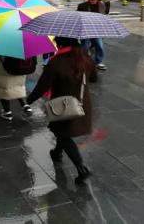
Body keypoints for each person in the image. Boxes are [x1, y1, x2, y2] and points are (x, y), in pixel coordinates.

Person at [27, 37, 98, 184]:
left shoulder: (56, 62)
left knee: (64, 133)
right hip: (82, 103)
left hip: (63, 106)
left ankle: (82, 169)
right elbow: (94, 79)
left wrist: (28, 101)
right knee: (62, 131)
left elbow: (42, 86)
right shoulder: (85, 58)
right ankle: (57, 152)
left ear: (60, 44)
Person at [0, 55, 34, 121]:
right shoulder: (21, 46)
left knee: (4, 90)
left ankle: (7, 113)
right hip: (18, 70)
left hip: (3, 71)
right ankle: (25, 105)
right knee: (17, 88)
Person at [77, 0, 107, 70]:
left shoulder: (101, 5)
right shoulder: (82, 5)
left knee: (99, 44)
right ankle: (83, 61)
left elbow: (103, 16)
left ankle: (98, 62)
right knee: (85, 45)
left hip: (96, 28)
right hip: (86, 28)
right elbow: (78, 16)